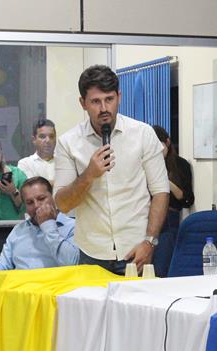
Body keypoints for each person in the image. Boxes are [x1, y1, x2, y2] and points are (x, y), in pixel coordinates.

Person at [54, 65, 169, 275]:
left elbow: (160, 191)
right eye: (96, 101)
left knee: (140, 308)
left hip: (137, 250)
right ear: (83, 103)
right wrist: (89, 175)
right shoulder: (68, 143)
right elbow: (62, 203)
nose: (104, 108)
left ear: (119, 97)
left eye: (109, 99)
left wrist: (150, 241)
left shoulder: (143, 134)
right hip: (91, 253)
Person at [0, 177, 78, 271]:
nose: (36, 205)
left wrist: (48, 225)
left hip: (58, 284)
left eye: (41, 199)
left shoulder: (72, 227)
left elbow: (73, 263)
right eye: (29, 202)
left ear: (53, 197)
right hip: (21, 284)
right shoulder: (18, 230)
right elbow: (1, 267)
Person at [152, 125, 195, 228]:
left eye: (158, 146)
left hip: (170, 217)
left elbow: (187, 200)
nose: (155, 151)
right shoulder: (145, 164)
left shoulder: (180, 164)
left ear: (167, 142)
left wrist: (165, 181)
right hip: (147, 215)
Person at [17, 119, 56, 185]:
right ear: (34, 140)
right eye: (42, 137)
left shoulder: (64, 161)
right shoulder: (25, 163)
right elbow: (32, 189)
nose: (48, 140)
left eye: (51, 136)